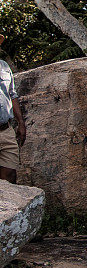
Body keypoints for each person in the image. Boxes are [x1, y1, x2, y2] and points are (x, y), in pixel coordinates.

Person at [0, 34, 26, 183]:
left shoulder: (4, 66)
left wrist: (21, 123)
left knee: (10, 176)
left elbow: (12, 94)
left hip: (6, 130)